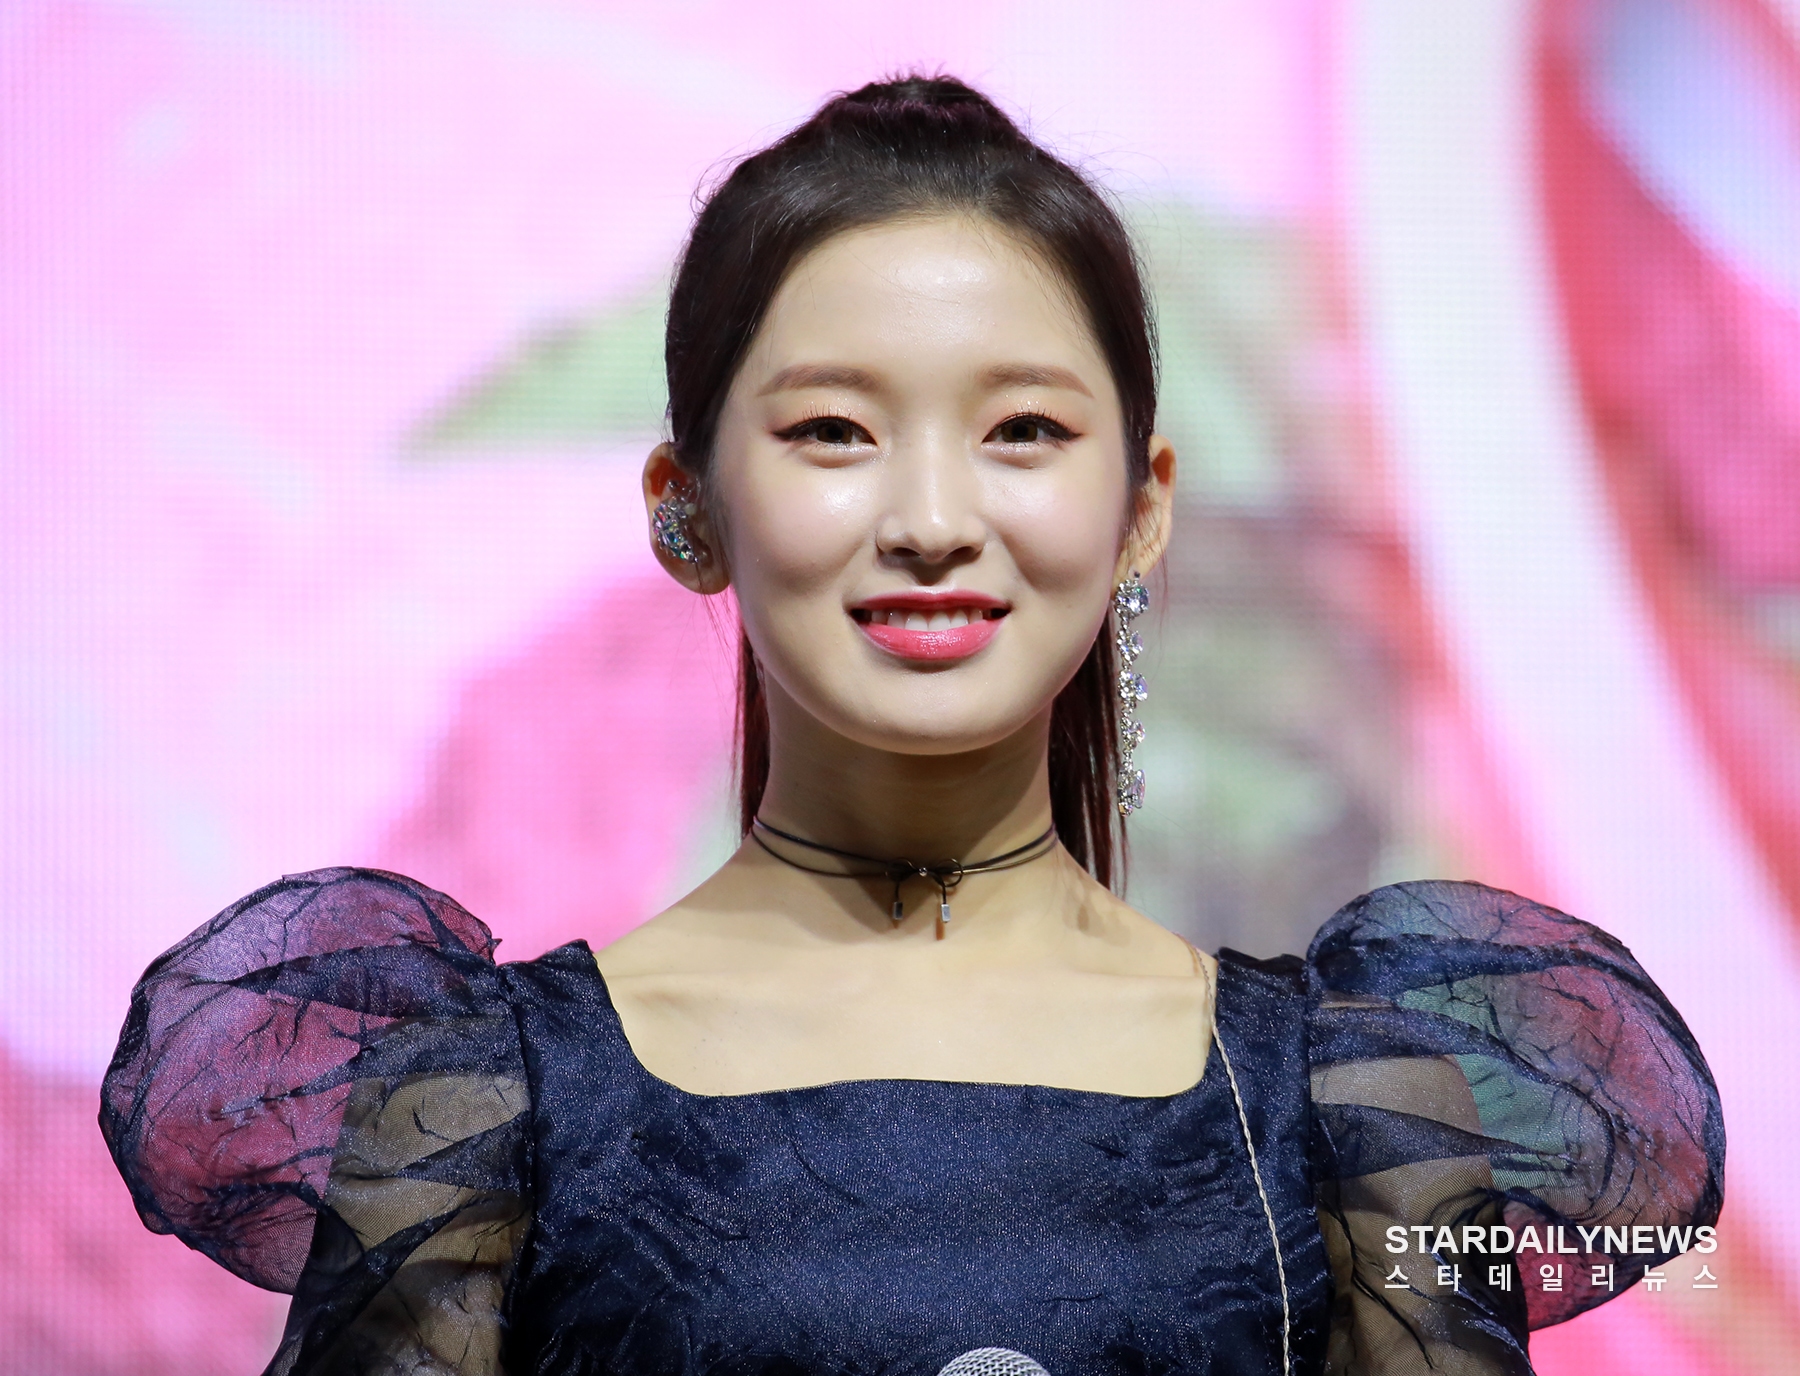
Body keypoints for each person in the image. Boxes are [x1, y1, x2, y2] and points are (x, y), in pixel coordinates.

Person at [100, 77, 1723, 1376]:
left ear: (1142, 507)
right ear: (687, 507)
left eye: (1024, 430)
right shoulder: (480, 1107)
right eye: (833, 431)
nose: (934, 519)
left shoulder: (1354, 1108)